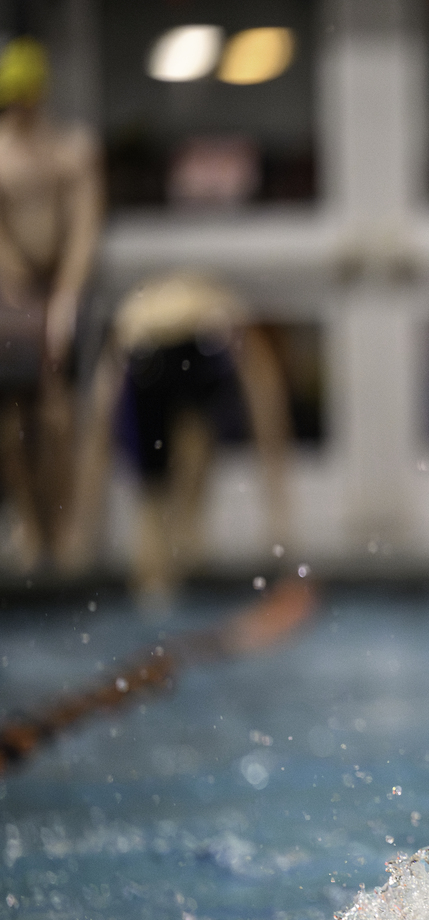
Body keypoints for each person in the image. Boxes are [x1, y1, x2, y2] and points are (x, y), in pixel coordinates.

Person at [58, 273, 291, 606]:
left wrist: (79, 537)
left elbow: (98, 427)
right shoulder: (227, 312)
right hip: (196, 342)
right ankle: (183, 561)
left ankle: (155, 593)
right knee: (192, 460)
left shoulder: (138, 314)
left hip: (144, 349)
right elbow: (268, 410)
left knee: (153, 497)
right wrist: (280, 519)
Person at [0, 37, 102, 572]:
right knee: (15, 419)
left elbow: (84, 228)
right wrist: (14, 282)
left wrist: (64, 298)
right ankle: (30, 524)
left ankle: (64, 529)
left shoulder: (70, 150)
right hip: (13, 295)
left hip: (58, 293)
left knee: (59, 413)